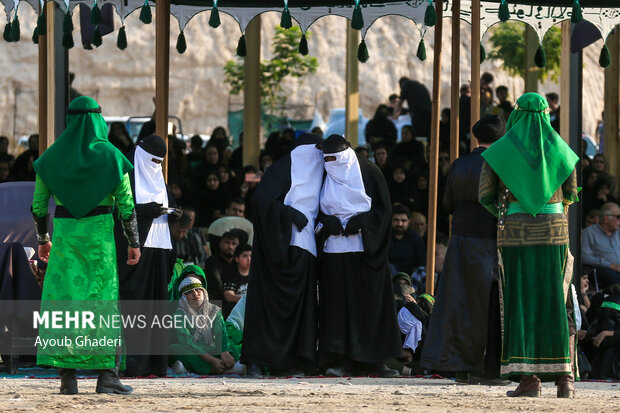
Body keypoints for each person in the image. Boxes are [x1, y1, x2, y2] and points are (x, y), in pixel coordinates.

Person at [31, 96, 138, 395]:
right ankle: (107, 377)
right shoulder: (112, 157)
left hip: (64, 245)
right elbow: (127, 207)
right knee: (101, 305)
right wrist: (134, 243)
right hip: (99, 247)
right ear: (97, 120)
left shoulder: (50, 158)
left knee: (67, 306)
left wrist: (43, 240)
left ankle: (68, 379)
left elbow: (39, 207)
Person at [479, 93, 579, 398]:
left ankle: (529, 380)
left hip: (515, 236)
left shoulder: (499, 152)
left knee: (520, 302)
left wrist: (510, 214)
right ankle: (566, 380)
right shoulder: (563, 150)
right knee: (554, 302)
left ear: (516, 116)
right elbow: (572, 194)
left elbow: (485, 194)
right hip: (554, 235)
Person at [421, 115, 506, 384]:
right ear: (501, 138)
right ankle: (488, 370)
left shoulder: (459, 164)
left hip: (460, 243)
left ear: (477, 138)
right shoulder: (502, 164)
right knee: (489, 306)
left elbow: (447, 204)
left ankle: (462, 369)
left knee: (460, 305)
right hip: (489, 242)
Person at [316, 134, 401, 377]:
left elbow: (384, 211)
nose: (330, 163)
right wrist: (327, 221)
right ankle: (340, 360)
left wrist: (364, 221)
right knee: (337, 309)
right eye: (326, 159)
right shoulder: (324, 173)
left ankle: (375, 362)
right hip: (334, 253)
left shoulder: (370, 172)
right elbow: (314, 209)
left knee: (370, 308)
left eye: (335, 158)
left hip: (365, 252)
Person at [242, 133, 323, 375]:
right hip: (276, 250)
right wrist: (289, 214)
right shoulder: (281, 169)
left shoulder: (321, 173)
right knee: (267, 308)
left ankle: (290, 362)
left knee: (299, 312)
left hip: (306, 248)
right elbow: (262, 202)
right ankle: (257, 361)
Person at [113, 134, 177, 377]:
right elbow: (116, 209)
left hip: (158, 247)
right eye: (152, 160)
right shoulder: (126, 174)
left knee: (157, 306)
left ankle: (156, 364)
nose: (155, 166)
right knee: (135, 306)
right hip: (134, 249)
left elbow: (164, 200)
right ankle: (133, 364)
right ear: (140, 154)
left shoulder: (156, 173)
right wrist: (145, 211)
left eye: (160, 162)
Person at [169, 276, 240, 375]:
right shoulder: (178, 315)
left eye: (198, 290)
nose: (195, 294)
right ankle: (212, 369)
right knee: (174, 349)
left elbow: (221, 333)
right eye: (190, 292)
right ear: (184, 298)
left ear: (204, 292)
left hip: (212, 348)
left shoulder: (214, 311)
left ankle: (189, 367)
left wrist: (224, 352)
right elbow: (187, 341)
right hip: (194, 351)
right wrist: (211, 360)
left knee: (236, 347)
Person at [581, 203, 620, 289]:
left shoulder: (618, 233)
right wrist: (611, 265)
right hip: (602, 269)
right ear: (606, 218)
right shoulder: (589, 232)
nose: (619, 221)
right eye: (617, 217)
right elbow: (585, 257)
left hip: (618, 269)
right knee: (612, 276)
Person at [388, 203, 425, 275]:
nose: (399, 224)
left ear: (409, 221)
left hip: (411, 278)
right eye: (396, 220)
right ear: (391, 220)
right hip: (389, 277)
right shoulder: (384, 237)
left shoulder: (415, 238)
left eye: (403, 221)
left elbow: (422, 262)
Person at [203, 230, 239, 302]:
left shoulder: (240, 261)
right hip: (217, 301)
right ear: (220, 244)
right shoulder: (212, 262)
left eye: (234, 243)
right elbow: (216, 286)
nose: (230, 246)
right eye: (227, 243)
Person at [222, 244, 251, 318]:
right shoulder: (230, 274)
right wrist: (246, 300)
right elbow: (228, 295)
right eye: (245, 256)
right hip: (237, 311)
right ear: (237, 259)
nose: (249, 259)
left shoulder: (256, 274)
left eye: (251, 255)